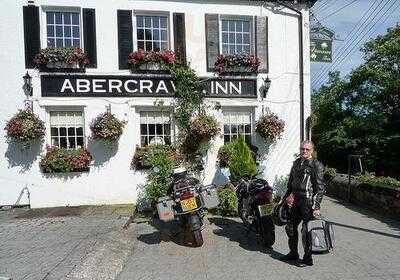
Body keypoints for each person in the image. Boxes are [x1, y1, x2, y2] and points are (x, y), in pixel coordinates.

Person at [280, 140, 325, 266]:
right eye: (302, 149)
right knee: (290, 227)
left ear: (312, 151)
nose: (304, 151)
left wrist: (316, 207)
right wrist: (285, 197)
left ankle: (307, 258)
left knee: (306, 231)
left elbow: (320, 188)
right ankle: (293, 253)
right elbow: (290, 182)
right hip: (295, 200)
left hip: (307, 202)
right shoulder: (296, 162)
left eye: (307, 149)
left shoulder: (317, 165)